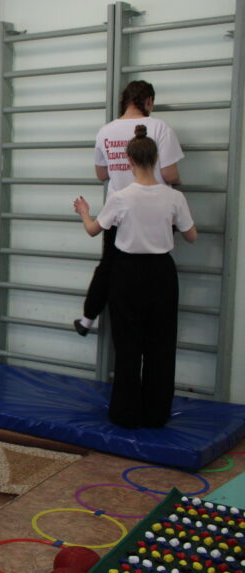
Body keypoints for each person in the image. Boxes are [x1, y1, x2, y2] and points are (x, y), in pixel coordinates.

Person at [74, 125, 196, 429]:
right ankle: (156, 414)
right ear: (156, 159)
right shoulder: (174, 198)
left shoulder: (121, 197)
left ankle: (125, 414)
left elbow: (92, 230)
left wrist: (84, 211)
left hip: (127, 273)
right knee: (161, 346)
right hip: (162, 274)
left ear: (129, 161)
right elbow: (191, 236)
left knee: (128, 346)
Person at [75, 81, 183, 336]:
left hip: (118, 215)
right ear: (148, 101)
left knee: (109, 266)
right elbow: (169, 173)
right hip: (155, 215)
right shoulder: (160, 127)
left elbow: (101, 174)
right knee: (153, 273)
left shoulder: (105, 131)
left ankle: (87, 318)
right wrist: (178, 182)